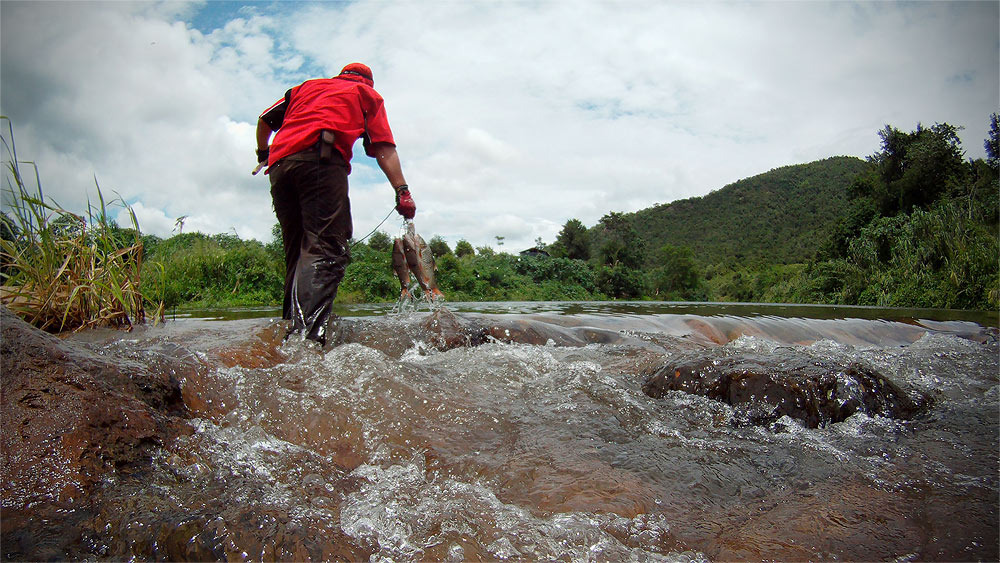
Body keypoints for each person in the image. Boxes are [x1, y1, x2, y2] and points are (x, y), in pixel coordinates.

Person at [254, 62, 416, 345]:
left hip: (280, 168)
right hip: (321, 161)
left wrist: (263, 153)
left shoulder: (304, 89)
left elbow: (264, 121)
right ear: (369, 82)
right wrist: (402, 190)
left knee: (297, 251)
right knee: (326, 248)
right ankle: (308, 340)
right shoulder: (365, 94)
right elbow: (383, 148)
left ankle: (290, 327)